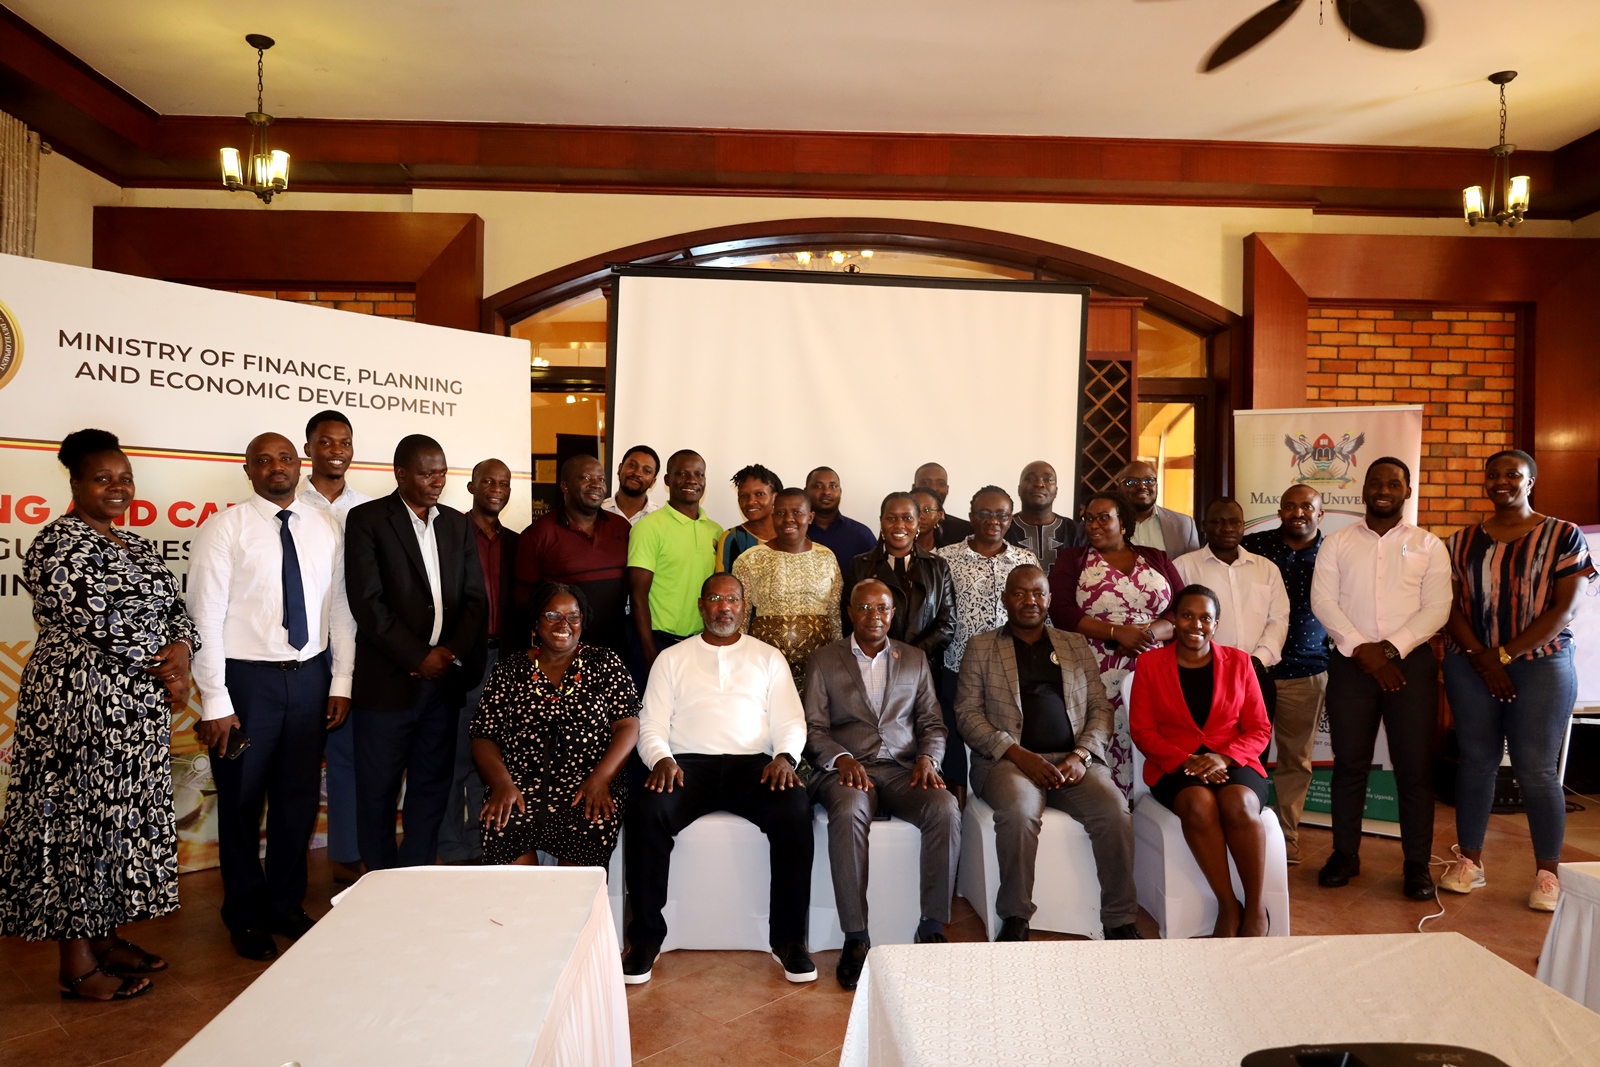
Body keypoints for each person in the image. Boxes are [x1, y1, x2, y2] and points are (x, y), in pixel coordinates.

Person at [0, 429, 198, 1001]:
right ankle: (76, 964)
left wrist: (182, 649)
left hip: (133, 716)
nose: (117, 488)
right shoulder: (55, 545)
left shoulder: (135, 544)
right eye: (103, 479)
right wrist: (168, 668)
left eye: (124, 478)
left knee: (117, 826)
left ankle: (105, 936)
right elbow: (102, 623)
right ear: (76, 483)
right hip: (77, 708)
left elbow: (174, 609)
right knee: (77, 827)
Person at [187, 431, 354, 961]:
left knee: (297, 801)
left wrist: (341, 680)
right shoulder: (225, 528)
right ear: (249, 469)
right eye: (264, 460)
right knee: (239, 803)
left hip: (310, 677)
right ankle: (244, 913)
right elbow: (204, 619)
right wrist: (215, 700)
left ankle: (286, 905)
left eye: (285, 458)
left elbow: (340, 611)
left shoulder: (324, 525)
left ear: (298, 464)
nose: (276, 467)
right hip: (246, 684)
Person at [623, 574, 815, 985]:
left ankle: (789, 941)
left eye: (732, 600)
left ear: (745, 607)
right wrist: (661, 759)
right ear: (701, 605)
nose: (724, 607)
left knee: (796, 810)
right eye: (715, 598)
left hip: (756, 767)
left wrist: (785, 757)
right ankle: (644, 940)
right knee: (647, 809)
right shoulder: (671, 658)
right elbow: (650, 722)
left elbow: (791, 720)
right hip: (687, 766)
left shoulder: (768, 657)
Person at [1439, 450, 1594, 910]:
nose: (1501, 481)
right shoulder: (1459, 542)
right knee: (1476, 762)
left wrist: (1503, 656)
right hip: (1470, 664)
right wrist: (1483, 660)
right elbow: (1446, 607)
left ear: (1531, 482)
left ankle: (1547, 874)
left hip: (1542, 665)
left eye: (1513, 474)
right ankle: (1470, 863)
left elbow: (1565, 608)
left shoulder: (1563, 535)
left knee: (1537, 769)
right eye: (1493, 474)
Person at [956, 565, 1141, 942]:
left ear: (1049, 600)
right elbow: (967, 714)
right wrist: (1018, 754)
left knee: (1114, 810)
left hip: (1072, 761)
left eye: (1038, 593)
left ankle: (1119, 918)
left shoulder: (1074, 645)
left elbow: (1100, 709)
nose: (1030, 601)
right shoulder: (982, 647)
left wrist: (1082, 755)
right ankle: (1015, 916)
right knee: (1020, 812)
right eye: (1020, 593)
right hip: (1009, 762)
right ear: (1006, 599)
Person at [803, 579, 959, 990]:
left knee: (945, 808)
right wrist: (842, 758)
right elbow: (813, 728)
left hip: (904, 768)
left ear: (893, 613)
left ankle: (930, 926)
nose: (874, 616)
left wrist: (929, 758)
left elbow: (932, 723)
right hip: (847, 771)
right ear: (850, 612)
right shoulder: (823, 660)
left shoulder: (913, 658)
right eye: (865, 608)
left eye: (883, 609)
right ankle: (856, 937)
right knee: (851, 807)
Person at [343, 434, 487, 871]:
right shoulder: (366, 519)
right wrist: (417, 656)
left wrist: (448, 656)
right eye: (426, 473)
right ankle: (381, 881)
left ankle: (417, 875)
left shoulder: (456, 524)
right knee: (379, 791)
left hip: (443, 684)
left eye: (442, 471)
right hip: (389, 684)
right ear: (401, 473)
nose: (436, 481)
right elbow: (367, 603)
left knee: (432, 786)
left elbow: (474, 599)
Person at [1311, 456, 1451, 900]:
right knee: (1350, 764)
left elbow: (1437, 608)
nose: (1384, 488)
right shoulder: (1336, 543)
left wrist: (1390, 650)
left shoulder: (1429, 545)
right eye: (1376, 481)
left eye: (1394, 482)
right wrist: (1364, 651)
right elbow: (1323, 602)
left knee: (1414, 768)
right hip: (1353, 664)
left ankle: (1416, 865)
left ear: (1407, 491)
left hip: (1410, 665)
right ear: (1364, 489)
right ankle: (1345, 854)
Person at [1129, 585, 1275, 937]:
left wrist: (1223, 757)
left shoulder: (1239, 662)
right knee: (1198, 803)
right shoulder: (1150, 664)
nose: (1196, 624)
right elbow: (1143, 730)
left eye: (1205, 617)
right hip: (1175, 765)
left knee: (1239, 803)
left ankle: (1255, 908)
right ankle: (1228, 905)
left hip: (1233, 758)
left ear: (1216, 623)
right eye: (1187, 615)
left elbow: (1259, 728)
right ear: (1175, 621)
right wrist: (1188, 761)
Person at [472, 584, 641, 867]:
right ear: (536, 623)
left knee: (590, 828)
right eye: (553, 615)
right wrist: (501, 784)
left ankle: (569, 911)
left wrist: (601, 779)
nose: (564, 624)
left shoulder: (604, 663)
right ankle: (521, 912)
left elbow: (628, 726)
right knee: (500, 825)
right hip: (519, 783)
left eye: (573, 616)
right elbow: (483, 735)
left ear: (582, 622)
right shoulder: (509, 670)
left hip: (589, 781)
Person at [1048, 490, 1185, 797]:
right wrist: (1116, 633)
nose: (1093, 525)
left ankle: (1154, 806)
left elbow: (1183, 609)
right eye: (1088, 519)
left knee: (1154, 737)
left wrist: (1146, 635)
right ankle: (1111, 812)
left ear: (1123, 521)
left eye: (1103, 518)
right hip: (1095, 668)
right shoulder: (1073, 559)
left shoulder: (1156, 557)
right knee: (1105, 737)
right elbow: (1062, 613)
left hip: (1154, 668)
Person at [1241, 485, 1330, 865]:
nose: (1298, 513)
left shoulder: (1335, 554)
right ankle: (1250, 828)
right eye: (1290, 506)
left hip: (1306, 670)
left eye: (1307, 506)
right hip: (1252, 670)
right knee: (1248, 755)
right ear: (1279, 511)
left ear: (1320, 513)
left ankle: (1287, 835)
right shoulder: (1253, 547)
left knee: (1296, 758)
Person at [299, 409, 369, 882]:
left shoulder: (367, 508)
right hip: (296, 650)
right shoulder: (287, 501)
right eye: (326, 442)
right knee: (298, 757)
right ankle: (289, 866)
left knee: (347, 751)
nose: (337, 451)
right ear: (309, 449)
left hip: (353, 645)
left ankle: (346, 850)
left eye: (344, 442)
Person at [439, 458, 520, 866]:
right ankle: (453, 848)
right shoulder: (448, 533)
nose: (496, 489)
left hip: (503, 661)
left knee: (490, 756)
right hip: (459, 662)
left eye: (504, 483)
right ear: (471, 487)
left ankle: (482, 840)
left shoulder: (516, 543)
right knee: (454, 756)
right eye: (487, 481)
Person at [936, 487, 1039, 796]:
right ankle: (956, 805)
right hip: (957, 665)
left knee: (1009, 738)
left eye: (1002, 515)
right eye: (985, 513)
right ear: (971, 517)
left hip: (1013, 668)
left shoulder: (1025, 559)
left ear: (1011, 518)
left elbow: (1039, 615)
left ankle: (1013, 790)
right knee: (954, 740)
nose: (993, 521)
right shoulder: (944, 558)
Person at [1174, 498, 1289, 722]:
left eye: (1234, 522)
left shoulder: (1266, 569)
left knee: (1255, 752)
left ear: (1243, 525)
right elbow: (1178, 622)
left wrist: (1257, 660)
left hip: (1257, 674)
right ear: (1204, 526)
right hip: (1203, 676)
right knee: (1207, 750)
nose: (1227, 528)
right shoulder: (1183, 567)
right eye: (1218, 522)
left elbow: (1279, 619)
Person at [516, 455, 631, 657]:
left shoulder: (621, 527)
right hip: (561, 653)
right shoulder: (539, 534)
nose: (596, 484)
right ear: (565, 486)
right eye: (586, 478)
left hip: (615, 651)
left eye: (601, 479)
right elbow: (522, 599)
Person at [731, 488, 843, 690]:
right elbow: (741, 618)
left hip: (818, 671)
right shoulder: (750, 559)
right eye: (781, 513)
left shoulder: (827, 557)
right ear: (773, 517)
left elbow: (834, 614)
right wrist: (738, 663)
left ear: (810, 517)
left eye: (797, 512)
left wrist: (839, 661)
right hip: (765, 669)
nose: (788, 519)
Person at [627, 450, 723, 670]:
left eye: (699, 474)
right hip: (658, 642)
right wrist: (649, 650)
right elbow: (638, 594)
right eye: (682, 473)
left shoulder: (716, 531)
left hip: (703, 642)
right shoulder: (649, 528)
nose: (692, 480)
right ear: (668, 480)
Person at [843, 492, 956, 668]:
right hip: (868, 664)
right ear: (881, 521)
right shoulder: (860, 565)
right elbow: (848, 618)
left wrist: (909, 655)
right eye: (891, 518)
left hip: (921, 666)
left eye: (907, 518)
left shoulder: (938, 567)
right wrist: (878, 654)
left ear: (918, 522)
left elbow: (946, 625)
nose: (899, 525)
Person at [1006, 460, 1081, 572]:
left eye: (1048, 479)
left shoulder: (1074, 531)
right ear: (1019, 489)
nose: (1039, 484)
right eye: (1030, 478)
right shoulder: (1004, 529)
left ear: (1056, 491)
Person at [1117, 460, 1201, 557]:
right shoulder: (1106, 524)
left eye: (1149, 481)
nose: (1142, 486)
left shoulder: (1184, 525)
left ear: (1156, 486)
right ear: (1118, 488)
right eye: (1131, 482)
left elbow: (1193, 568)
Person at [804, 466, 877, 574]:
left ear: (840, 492)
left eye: (833, 486)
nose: (826, 491)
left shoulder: (861, 535)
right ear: (805, 492)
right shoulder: (795, 534)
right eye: (818, 486)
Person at [716, 463, 782, 573]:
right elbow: (723, 585)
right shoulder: (732, 539)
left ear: (775, 498)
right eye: (744, 496)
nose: (751, 501)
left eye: (760, 494)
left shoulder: (792, 535)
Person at [913, 462, 973, 546]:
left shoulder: (968, 531)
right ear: (914, 487)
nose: (934, 488)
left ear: (947, 489)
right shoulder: (900, 528)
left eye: (940, 483)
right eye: (926, 482)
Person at [602, 444, 660, 525]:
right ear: (620, 468)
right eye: (632, 465)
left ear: (653, 482)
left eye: (646, 471)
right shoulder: (600, 511)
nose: (637, 473)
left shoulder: (660, 518)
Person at [911, 490, 943, 555]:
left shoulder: (948, 552)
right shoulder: (890, 550)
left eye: (927, 510)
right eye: (915, 509)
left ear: (938, 516)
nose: (920, 516)